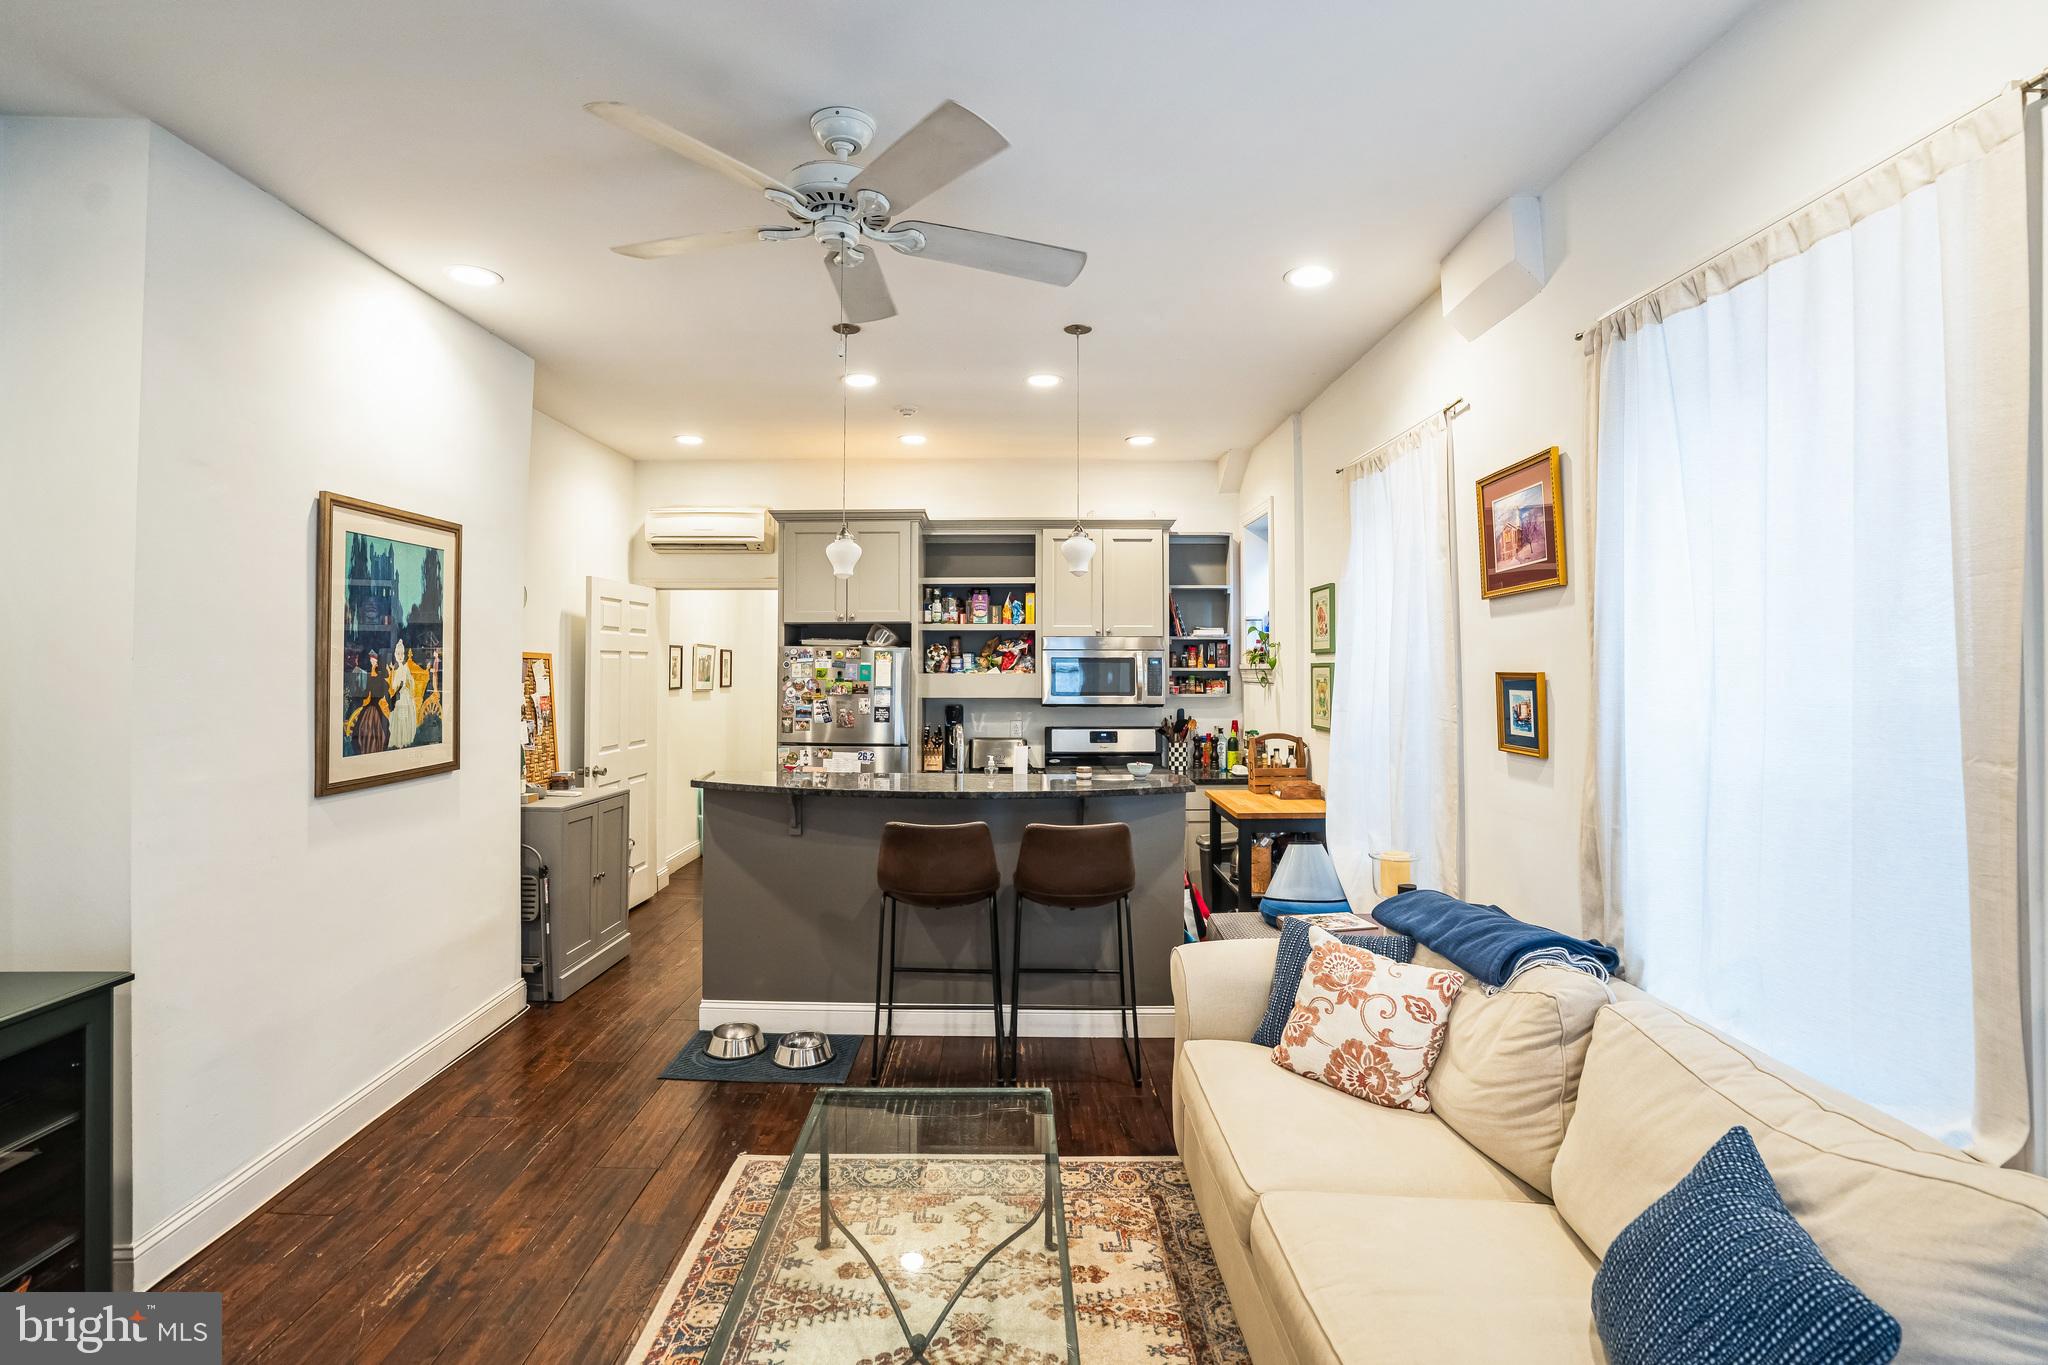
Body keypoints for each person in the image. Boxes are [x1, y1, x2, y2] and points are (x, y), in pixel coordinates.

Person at [348, 648, 389, 754]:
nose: (373, 662)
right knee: (362, 725)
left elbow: (381, 692)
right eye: (371, 660)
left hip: (375, 706)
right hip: (371, 704)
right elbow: (366, 692)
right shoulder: (369, 676)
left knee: (380, 725)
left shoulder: (379, 677)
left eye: (374, 660)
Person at [387, 637, 420, 749]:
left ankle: (404, 740)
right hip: (398, 696)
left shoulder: (405, 668)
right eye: (398, 654)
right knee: (398, 718)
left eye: (402, 654)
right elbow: (393, 685)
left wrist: (407, 686)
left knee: (404, 718)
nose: (400, 656)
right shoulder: (395, 669)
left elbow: (411, 681)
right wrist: (398, 686)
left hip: (405, 696)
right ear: (395, 655)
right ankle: (398, 741)